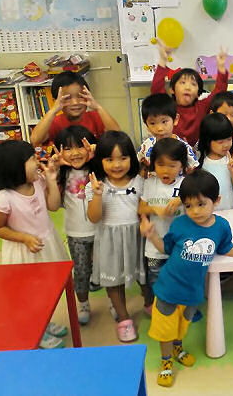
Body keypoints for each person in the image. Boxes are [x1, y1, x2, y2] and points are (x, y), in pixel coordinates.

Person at [140, 169, 233, 387]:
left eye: (201, 204)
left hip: (193, 291)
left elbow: (225, 248)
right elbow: (165, 248)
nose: (195, 211)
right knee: (166, 329)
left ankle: (178, 348)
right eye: (188, 206)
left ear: (216, 201)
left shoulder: (221, 227)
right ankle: (166, 362)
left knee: (182, 325)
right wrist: (152, 236)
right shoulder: (179, 224)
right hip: (168, 288)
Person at [0, 140, 69, 349]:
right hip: (24, 251)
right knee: (29, 295)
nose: (38, 162)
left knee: (47, 290)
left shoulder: (38, 181)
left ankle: (44, 322)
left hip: (46, 244)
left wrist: (51, 180)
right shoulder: (3, 198)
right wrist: (24, 238)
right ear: (15, 167)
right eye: (32, 159)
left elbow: (53, 206)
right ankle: (35, 331)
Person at [85, 131, 145, 343]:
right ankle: (124, 319)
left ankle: (149, 303)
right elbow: (94, 218)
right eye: (109, 159)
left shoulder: (139, 181)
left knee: (144, 276)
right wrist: (97, 195)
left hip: (136, 237)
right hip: (109, 240)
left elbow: (143, 210)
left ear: (132, 158)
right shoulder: (94, 185)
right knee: (114, 282)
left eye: (123, 158)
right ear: (100, 161)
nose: (117, 165)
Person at [52, 126, 97, 325]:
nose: (75, 153)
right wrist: (54, 170)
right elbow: (53, 203)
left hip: (101, 230)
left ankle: (114, 301)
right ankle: (84, 304)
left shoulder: (98, 168)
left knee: (105, 268)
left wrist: (97, 154)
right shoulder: (61, 174)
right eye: (68, 148)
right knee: (81, 270)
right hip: (76, 233)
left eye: (80, 146)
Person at [138, 138, 188, 313]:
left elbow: (198, 200)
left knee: (180, 277)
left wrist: (181, 199)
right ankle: (161, 309)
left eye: (172, 165)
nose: (165, 170)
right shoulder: (150, 183)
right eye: (160, 165)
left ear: (182, 166)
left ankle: (180, 308)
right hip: (154, 246)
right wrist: (155, 209)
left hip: (180, 245)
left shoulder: (185, 184)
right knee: (156, 279)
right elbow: (141, 207)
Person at [150, 42, 229, 146]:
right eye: (182, 83)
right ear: (172, 89)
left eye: (193, 84)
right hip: (170, 150)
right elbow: (156, 89)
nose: (187, 87)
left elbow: (219, 92)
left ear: (198, 93)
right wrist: (162, 61)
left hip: (196, 152)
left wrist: (221, 68)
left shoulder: (201, 106)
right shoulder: (168, 107)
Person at [30, 71, 120, 146]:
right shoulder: (55, 122)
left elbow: (117, 135)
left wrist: (98, 107)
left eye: (80, 96)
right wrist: (54, 110)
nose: (75, 103)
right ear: (56, 101)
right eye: (68, 98)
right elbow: (35, 140)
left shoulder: (95, 117)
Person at [137, 93, 198, 173]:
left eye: (164, 121)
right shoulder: (146, 145)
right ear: (146, 125)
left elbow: (193, 171)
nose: (159, 128)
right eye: (152, 123)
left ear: (175, 119)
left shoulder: (184, 147)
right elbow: (138, 164)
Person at [196, 113, 233, 211]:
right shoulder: (200, 159)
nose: (226, 145)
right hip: (207, 209)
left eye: (229, 139)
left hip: (229, 206)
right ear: (207, 141)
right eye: (220, 142)